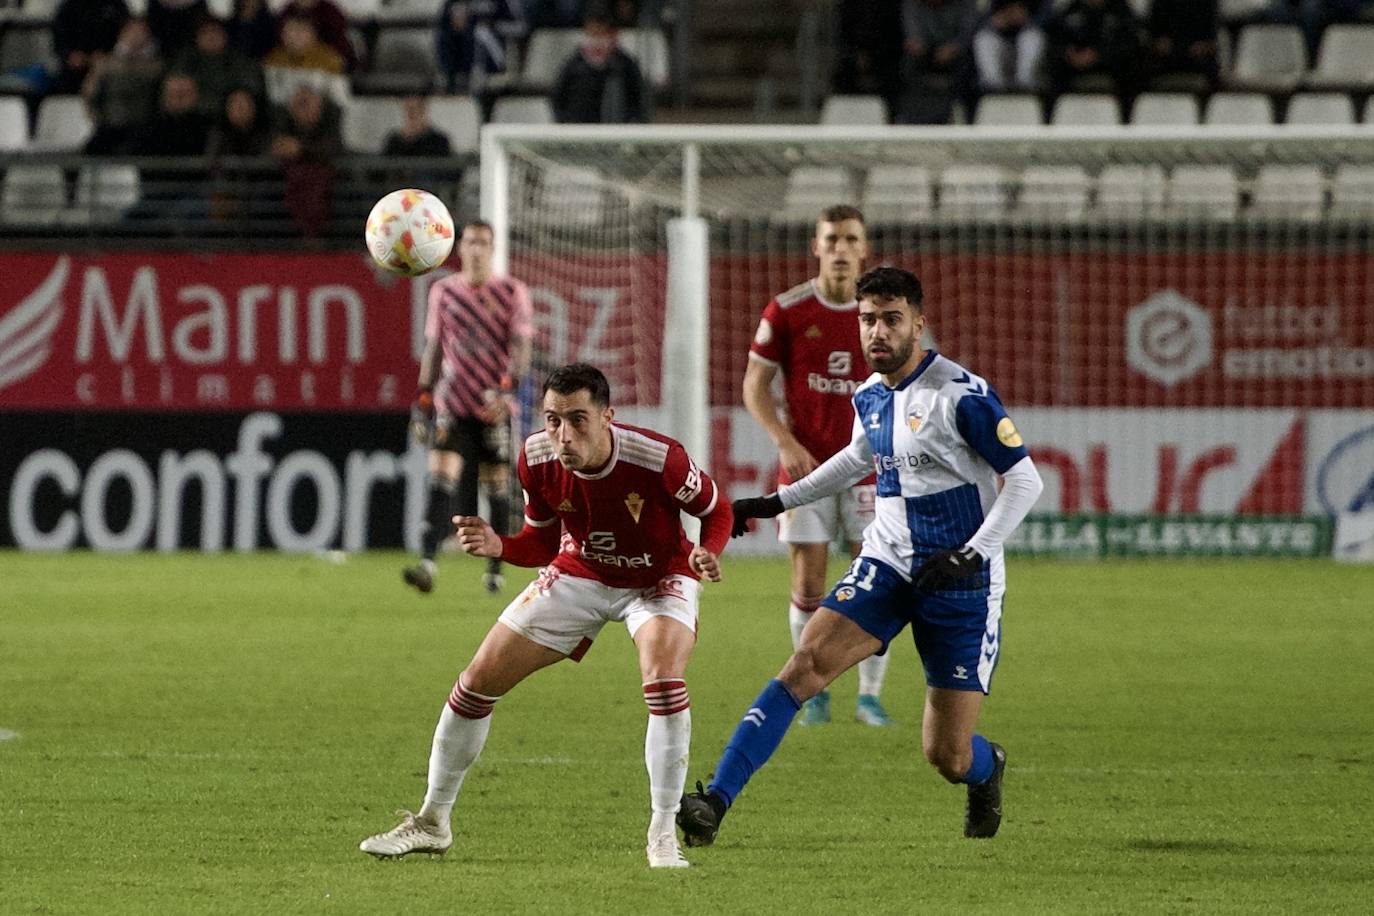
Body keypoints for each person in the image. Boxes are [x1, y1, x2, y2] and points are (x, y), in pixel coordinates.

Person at [678, 266, 1044, 848]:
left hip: (960, 585)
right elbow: (854, 460)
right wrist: (772, 502)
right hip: (889, 564)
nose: (877, 332)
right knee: (803, 667)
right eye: (868, 320)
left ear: (918, 325)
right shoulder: (870, 395)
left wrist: (972, 555)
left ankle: (986, 766)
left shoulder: (961, 394)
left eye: (891, 320)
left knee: (946, 754)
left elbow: (1025, 482)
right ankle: (713, 803)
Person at [361, 363, 734, 868]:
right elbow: (539, 541)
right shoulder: (535, 456)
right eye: (554, 419)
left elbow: (717, 509)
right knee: (475, 683)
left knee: (663, 681)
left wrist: (708, 551)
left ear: (608, 417)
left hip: (658, 577)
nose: (563, 434)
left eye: (578, 420)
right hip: (580, 571)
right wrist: (500, 545)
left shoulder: (657, 457)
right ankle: (432, 821)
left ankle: (662, 832)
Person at [743, 204, 892, 728]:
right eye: (831, 239)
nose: (841, 249)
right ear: (816, 246)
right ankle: (815, 693)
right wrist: (783, 441)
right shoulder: (787, 311)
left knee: (877, 580)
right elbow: (753, 387)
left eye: (851, 239)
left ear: (864, 248)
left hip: (874, 469)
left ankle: (869, 698)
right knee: (809, 584)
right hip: (806, 469)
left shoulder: (883, 312)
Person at [403, 220, 533, 596]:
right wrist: (423, 396)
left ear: (492, 249)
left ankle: (495, 571)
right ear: (460, 247)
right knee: (440, 480)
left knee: (497, 489)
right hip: (453, 402)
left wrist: (509, 390)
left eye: (484, 243)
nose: (477, 249)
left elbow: (522, 347)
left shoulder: (511, 292)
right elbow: (434, 346)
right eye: (471, 242)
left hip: (493, 406)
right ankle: (427, 563)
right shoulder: (443, 291)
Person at [551, 9, 647, 123]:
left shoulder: (625, 65)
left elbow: (638, 100)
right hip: (579, 133)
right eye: (592, 33)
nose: (596, 39)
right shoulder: (574, 65)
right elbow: (558, 98)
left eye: (600, 32)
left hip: (617, 133)